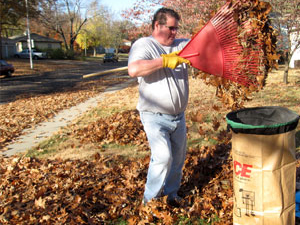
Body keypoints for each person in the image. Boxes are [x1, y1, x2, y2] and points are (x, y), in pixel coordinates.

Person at [128, 7, 191, 206]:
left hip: (178, 116)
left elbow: (206, 45)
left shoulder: (181, 46)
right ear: (158, 25)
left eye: (176, 29)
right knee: (163, 157)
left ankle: (171, 196)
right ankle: (150, 202)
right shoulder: (144, 45)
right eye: (171, 28)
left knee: (178, 160)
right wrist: (164, 61)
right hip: (154, 115)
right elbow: (134, 69)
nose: (175, 33)